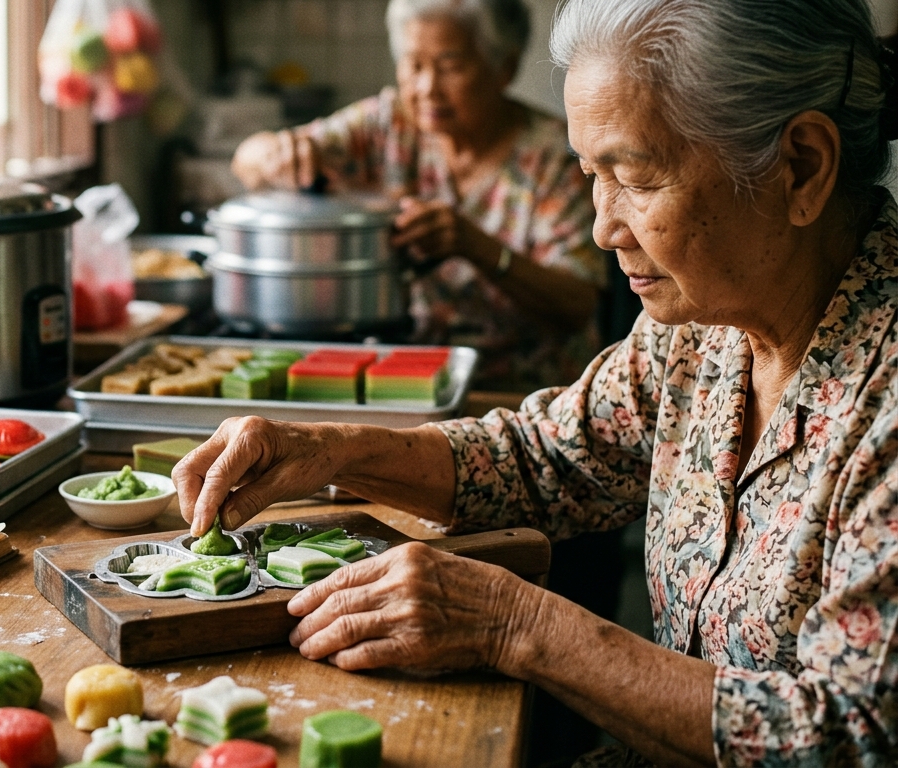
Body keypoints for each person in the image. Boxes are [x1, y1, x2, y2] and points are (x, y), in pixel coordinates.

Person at [178, 0, 898, 764]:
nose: (602, 228)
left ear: (802, 167)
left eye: (639, 180)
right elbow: (550, 456)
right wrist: (331, 451)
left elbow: (853, 736)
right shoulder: (700, 329)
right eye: (594, 175)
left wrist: (515, 624)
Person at [230, 0, 606, 393]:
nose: (427, 88)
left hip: (527, 393)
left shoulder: (553, 157)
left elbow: (577, 306)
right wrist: (276, 153)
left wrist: (473, 245)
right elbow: (248, 160)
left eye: (450, 67)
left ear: (504, 69)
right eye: (414, 65)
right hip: (407, 379)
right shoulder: (388, 122)